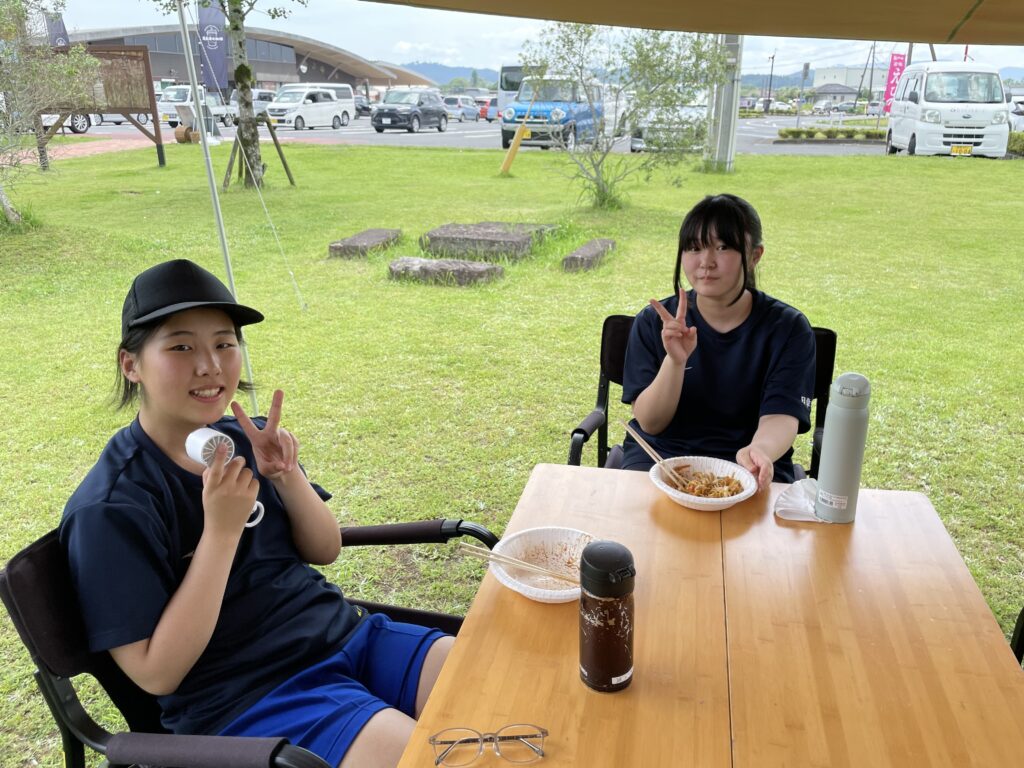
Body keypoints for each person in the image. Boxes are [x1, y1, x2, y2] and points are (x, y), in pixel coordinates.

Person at [59, 259, 452, 768]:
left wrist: (286, 475)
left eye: (225, 343)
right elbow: (156, 673)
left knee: (499, 682)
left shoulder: (244, 439)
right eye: (181, 347)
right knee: (443, 757)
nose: (210, 365)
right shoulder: (111, 508)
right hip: (252, 700)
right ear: (130, 365)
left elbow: (325, 549)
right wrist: (220, 533)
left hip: (349, 636)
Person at [621, 194, 816, 488]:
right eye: (694, 247)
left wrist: (760, 451)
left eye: (723, 247)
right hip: (661, 457)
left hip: (746, 463)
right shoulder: (654, 322)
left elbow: (781, 416)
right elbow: (651, 423)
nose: (706, 262)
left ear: (754, 256)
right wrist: (675, 362)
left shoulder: (788, 329)